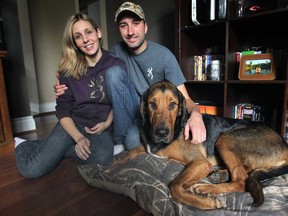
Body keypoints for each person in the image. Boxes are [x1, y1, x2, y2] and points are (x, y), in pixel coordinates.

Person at [55, 2, 206, 150]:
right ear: (119, 30)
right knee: (114, 73)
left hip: (152, 113)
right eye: (123, 25)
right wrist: (64, 81)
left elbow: (185, 99)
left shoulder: (164, 56)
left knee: (133, 142)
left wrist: (196, 116)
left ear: (145, 27)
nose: (130, 31)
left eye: (135, 23)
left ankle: (124, 142)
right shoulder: (115, 52)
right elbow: (91, 66)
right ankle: (119, 142)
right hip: (130, 111)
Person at [14, 13, 131, 178]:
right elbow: (62, 110)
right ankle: (22, 145)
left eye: (88, 32)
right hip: (72, 123)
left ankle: (50, 148)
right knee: (31, 170)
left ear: (98, 33)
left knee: (102, 156)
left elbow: (119, 102)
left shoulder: (116, 66)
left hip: (101, 128)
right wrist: (78, 138)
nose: (85, 39)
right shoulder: (68, 69)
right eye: (78, 36)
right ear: (74, 43)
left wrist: (106, 123)